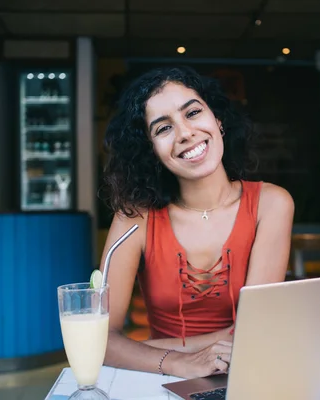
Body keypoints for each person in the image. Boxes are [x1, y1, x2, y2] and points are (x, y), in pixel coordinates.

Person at [99, 65, 295, 379]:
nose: (186, 132)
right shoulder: (134, 217)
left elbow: (254, 332)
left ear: (217, 119)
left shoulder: (271, 204)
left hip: (250, 373)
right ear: (151, 150)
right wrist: (178, 362)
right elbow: (101, 341)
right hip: (166, 378)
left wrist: (159, 347)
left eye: (192, 113)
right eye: (163, 128)